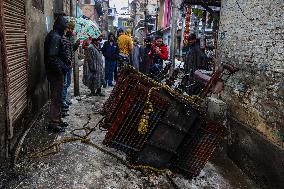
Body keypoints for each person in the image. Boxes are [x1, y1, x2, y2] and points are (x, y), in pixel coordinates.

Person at [44, 15, 70, 132]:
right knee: (56, 97)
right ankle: (53, 123)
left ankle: (57, 119)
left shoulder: (55, 35)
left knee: (58, 97)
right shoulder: (55, 37)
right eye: (64, 28)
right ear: (60, 27)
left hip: (56, 71)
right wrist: (61, 69)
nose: (65, 30)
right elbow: (52, 57)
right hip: (55, 73)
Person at [61, 20, 80, 113]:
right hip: (65, 63)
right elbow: (65, 51)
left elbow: (72, 49)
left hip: (69, 63)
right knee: (64, 83)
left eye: (72, 29)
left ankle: (64, 98)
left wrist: (76, 45)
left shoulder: (71, 36)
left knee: (68, 82)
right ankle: (63, 100)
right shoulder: (63, 37)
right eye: (70, 28)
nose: (71, 30)